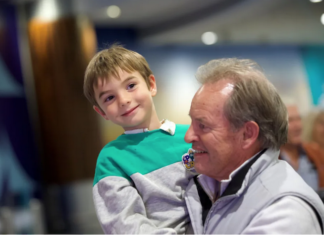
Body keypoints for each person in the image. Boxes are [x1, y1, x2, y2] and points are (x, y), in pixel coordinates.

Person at [184, 58, 324, 234]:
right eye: (191, 122)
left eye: (203, 126)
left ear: (247, 134)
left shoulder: (284, 212)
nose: (188, 136)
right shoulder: (208, 183)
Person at [83, 45, 193, 234]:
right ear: (101, 112)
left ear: (151, 85)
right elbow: (126, 225)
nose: (124, 100)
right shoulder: (111, 159)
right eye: (109, 97)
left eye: (131, 86)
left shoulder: (192, 136)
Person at [280, 104, 324, 191]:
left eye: (299, 119)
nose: (297, 126)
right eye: (290, 120)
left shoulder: (314, 152)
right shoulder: (273, 159)